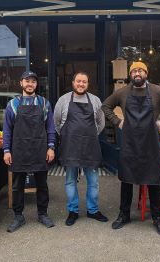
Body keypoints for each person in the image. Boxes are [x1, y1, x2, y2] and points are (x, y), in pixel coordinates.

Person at [102, 62, 160, 236]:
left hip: (150, 143)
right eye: (134, 71)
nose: (137, 73)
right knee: (126, 179)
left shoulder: (156, 91)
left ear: (146, 73)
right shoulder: (123, 92)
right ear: (130, 75)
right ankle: (123, 215)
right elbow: (106, 106)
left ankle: (157, 218)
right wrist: (118, 121)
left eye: (140, 70)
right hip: (129, 143)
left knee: (153, 180)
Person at [3, 70, 56, 232]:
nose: (30, 84)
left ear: (36, 84)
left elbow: (50, 127)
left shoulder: (44, 103)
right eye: (27, 81)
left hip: (40, 149)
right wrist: (6, 150)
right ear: (21, 83)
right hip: (18, 150)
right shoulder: (13, 104)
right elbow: (7, 130)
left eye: (33, 81)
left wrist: (51, 147)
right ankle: (18, 216)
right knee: (17, 186)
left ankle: (42, 214)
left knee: (42, 184)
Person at [54, 71, 108, 226]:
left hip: (90, 146)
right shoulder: (63, 100)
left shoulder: (95, 100)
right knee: (70, 180)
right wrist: (67, 136)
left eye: (84, 81)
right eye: (78, 81)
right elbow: (57, 123)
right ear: (73, 83)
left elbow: (101, 123)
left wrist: (90, 136)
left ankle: (93, 210)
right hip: (70, 146)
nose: (81, 84)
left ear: (88, 84)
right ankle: (73, 210)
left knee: (94, 181)